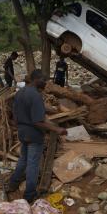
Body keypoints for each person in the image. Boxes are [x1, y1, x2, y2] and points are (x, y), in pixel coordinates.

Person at [7, 69, 67, 202]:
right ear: (36, 80)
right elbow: (38, 122)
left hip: (22, 132)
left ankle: (12, 184)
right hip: (33, 134)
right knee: (33, 164)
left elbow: (14, 116)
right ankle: (29, 195)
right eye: (44, 80)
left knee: (23, 159)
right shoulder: (35, 96)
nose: (45, 83)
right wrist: (57, 130)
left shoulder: (20, 93)